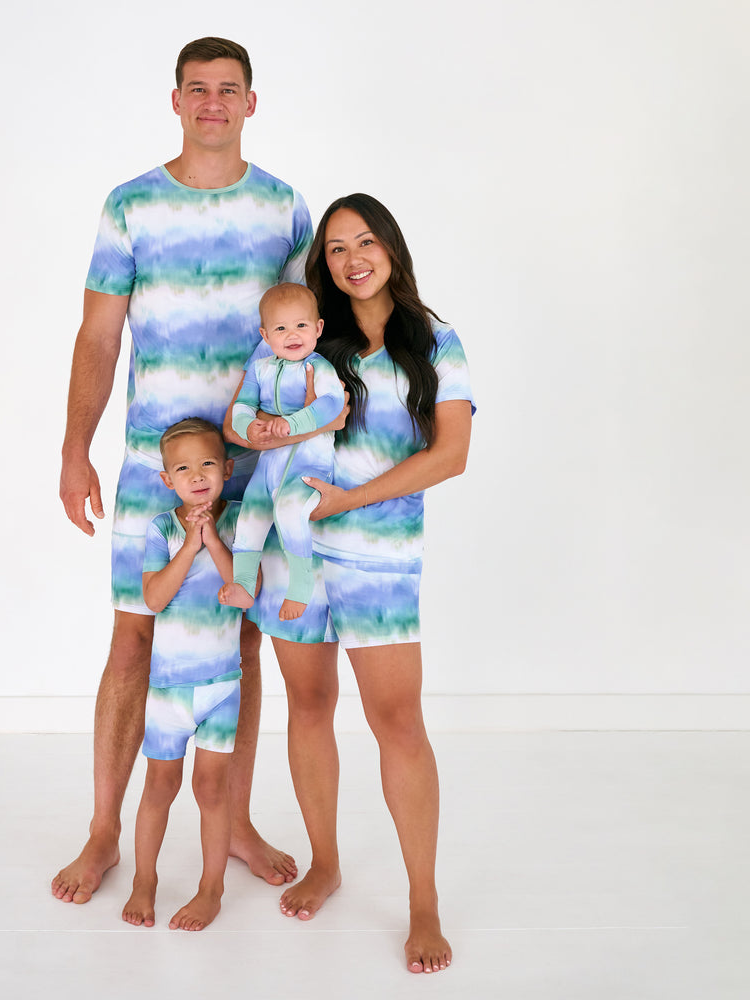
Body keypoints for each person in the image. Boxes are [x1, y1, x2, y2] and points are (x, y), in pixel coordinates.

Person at [53, 36, 316, 905]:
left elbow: (311, 330)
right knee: (134, 638)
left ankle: (230, 820)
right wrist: (72, 448)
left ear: (251, 102)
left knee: (238, 641)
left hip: (253, 467)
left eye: (227, 90)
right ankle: (103, 832)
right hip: (148, 468)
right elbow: (98, 335)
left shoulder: (283, 208)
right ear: (175, 101)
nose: (212, 103)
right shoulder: (130, 205)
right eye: (197, 90)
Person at [227, 193, 474, 974]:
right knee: (308, 704)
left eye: (364, 241)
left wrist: (351, 500)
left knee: (397, 722)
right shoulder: (306, 340)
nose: (351, 258)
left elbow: (451, 454)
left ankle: (423, 902)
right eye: (335, 248)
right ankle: (325, 861)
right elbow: (248, 416)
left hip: (379, 558)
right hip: (294, 558)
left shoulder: (435, 339)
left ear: (392, 248)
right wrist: (254, 430)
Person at [122, 419, 247, 931]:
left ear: (227, 469)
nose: (197, 475)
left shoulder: (239, 520)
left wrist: (212, 538)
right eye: (183, 468)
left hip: (221, 687)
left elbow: (244, 584)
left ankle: (211, 888)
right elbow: (153, 598)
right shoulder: (160, 528)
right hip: (169, 691)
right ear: (167, 480)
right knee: (159, 786)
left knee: (212, 791)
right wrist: (189, 546)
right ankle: (144, 880)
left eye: (208, 464)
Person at [220, 283, 343, 621]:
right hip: (269, 467)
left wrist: (293, 423)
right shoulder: (261, 369)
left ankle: (300, 587)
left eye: (301, 325)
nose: (292, 335)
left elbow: (332, 404)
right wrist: (249, 426)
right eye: (281, 328)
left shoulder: (319, 368)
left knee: (289, 512)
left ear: (318, 328)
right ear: (266, 335)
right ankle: (244, 583)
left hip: (308, 465)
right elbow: (242, 405)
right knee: (250, 517)